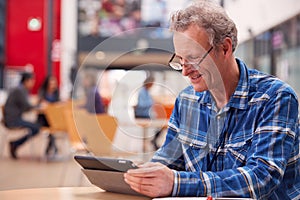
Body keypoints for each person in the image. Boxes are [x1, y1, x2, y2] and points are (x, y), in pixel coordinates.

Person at [124, 1, 300, 199]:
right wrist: (142, 176)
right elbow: (169, 161)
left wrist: (176, 183)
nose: (184, 71)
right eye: (180, 60)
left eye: (193, 58)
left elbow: (261, 178)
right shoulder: (186, 101)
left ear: (225, 48)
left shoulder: (275, 98)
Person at [3, 72, 41, 159]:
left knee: (35, 126)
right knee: (36, 128)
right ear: (26, 81)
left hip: (14, 118)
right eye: (32, 80)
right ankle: (15, 144)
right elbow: (26, 107)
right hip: (13, 120)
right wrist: (38, 105)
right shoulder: (19, 90)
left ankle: (15, 144)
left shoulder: (20, 89)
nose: (33, 83)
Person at [134, 75, 162, 150]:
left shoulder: (147, 92)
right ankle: (152, 141)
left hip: (147, 114)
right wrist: (152, 103)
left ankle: (154, 140)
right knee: (158, 125)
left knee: (160, 126)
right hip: (142, 115)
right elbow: (141, 104)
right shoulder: (142, 92)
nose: (152, 85)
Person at [37, 75, 60, 157]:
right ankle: (54, 148)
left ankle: (50, 149)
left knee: (52, 127)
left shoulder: (56, 93)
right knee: (51, 128)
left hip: (53, 119)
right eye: (51, 83)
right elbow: (41, 105)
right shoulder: (42, 92)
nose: (53, 85)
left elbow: (57, 105)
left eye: (54, 83)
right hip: (43, 119)